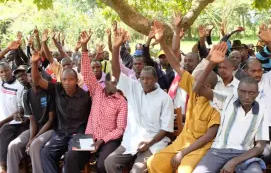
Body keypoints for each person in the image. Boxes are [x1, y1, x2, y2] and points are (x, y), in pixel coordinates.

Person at [147, 21, 221, 173]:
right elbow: (175, 64)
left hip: (200, 148)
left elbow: (208, 137)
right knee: (154, 162)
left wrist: (182, 153)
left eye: (198, 81)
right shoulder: (194, 89)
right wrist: (161, 41)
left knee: (184, 170)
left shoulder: (217, 103)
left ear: (207, 87)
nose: (193, 82)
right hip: (182, 141)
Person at [104, 28, 174, 173]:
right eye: (142, 78)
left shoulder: (164, 98)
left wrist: (150, 142)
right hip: (132, 139)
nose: (145, 81)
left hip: (154, 142)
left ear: (155, 79)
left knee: (136, 171)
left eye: (149, 78)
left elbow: (166, 128)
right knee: (110, 162)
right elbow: (117, 72)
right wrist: (116, 48)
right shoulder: (134, 88)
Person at [193, 42, 269, 173]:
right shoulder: (227, 99)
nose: (246, 96)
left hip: (244, 154)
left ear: (257, 94)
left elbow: (260, 147)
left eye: (251, 93)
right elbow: (197, 89)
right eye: (242, 92)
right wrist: (211, 63)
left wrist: (234, 162)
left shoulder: (262, 110)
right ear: (237, 91)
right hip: (218, 151)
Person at [64, 30, 128, 173]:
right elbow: (86, 72)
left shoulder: (121, 101)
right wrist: (84, 47)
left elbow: (120, 129)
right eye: (113, 82)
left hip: (108, 140)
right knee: (71, 157)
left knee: (103, 164)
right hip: (89, 136)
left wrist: (101, 140)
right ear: (106, 82)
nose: (116, 86)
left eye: (117, 83)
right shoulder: (97, 91)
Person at [31, 49, 91, 173]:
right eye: (64, 80)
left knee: (71, 157)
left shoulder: (86, 96)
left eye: (71, 79)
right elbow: (37, 80)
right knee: (45, 153)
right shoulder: (57, 88)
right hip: (61, 133)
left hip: (82, 133)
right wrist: (34, 63)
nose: (67, 83)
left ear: (76, 80)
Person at [6, 67, 55, 173]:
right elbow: (32, 120)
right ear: (27, 78)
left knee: (34, 145)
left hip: (50, 129)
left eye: (35, 75)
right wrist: (30, 138)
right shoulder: (26, 95)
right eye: (29, 76)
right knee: (13, 146)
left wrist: (33, 139)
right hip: (35, 129)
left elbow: (50, 120)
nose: (33, 78)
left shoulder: (48, 93)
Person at [0, 62, 26, 173]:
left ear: (11, 70)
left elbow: (20, 110)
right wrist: (7, 49)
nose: (4, 74)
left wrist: (3, 122)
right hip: (2, 121)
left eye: (6, 70)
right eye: (1, 72)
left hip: (14, 123)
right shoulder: (1, 84)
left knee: (4, 131)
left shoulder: (20, 87)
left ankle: (2, 167)